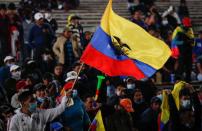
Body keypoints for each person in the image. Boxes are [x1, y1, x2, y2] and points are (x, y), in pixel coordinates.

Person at [172, 17, 194, 82]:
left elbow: (193, 41)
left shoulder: (190, 29)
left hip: (189, 52)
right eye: (187, 26)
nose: (188, 27)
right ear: (183, 24)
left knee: (189, 69)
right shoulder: (178, 30)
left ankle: (188, 81)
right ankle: (178, 81)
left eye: (189, 26)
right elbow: (174, 42)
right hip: (181, 52)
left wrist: (191, 42)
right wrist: (184, 42)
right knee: (180, 68)